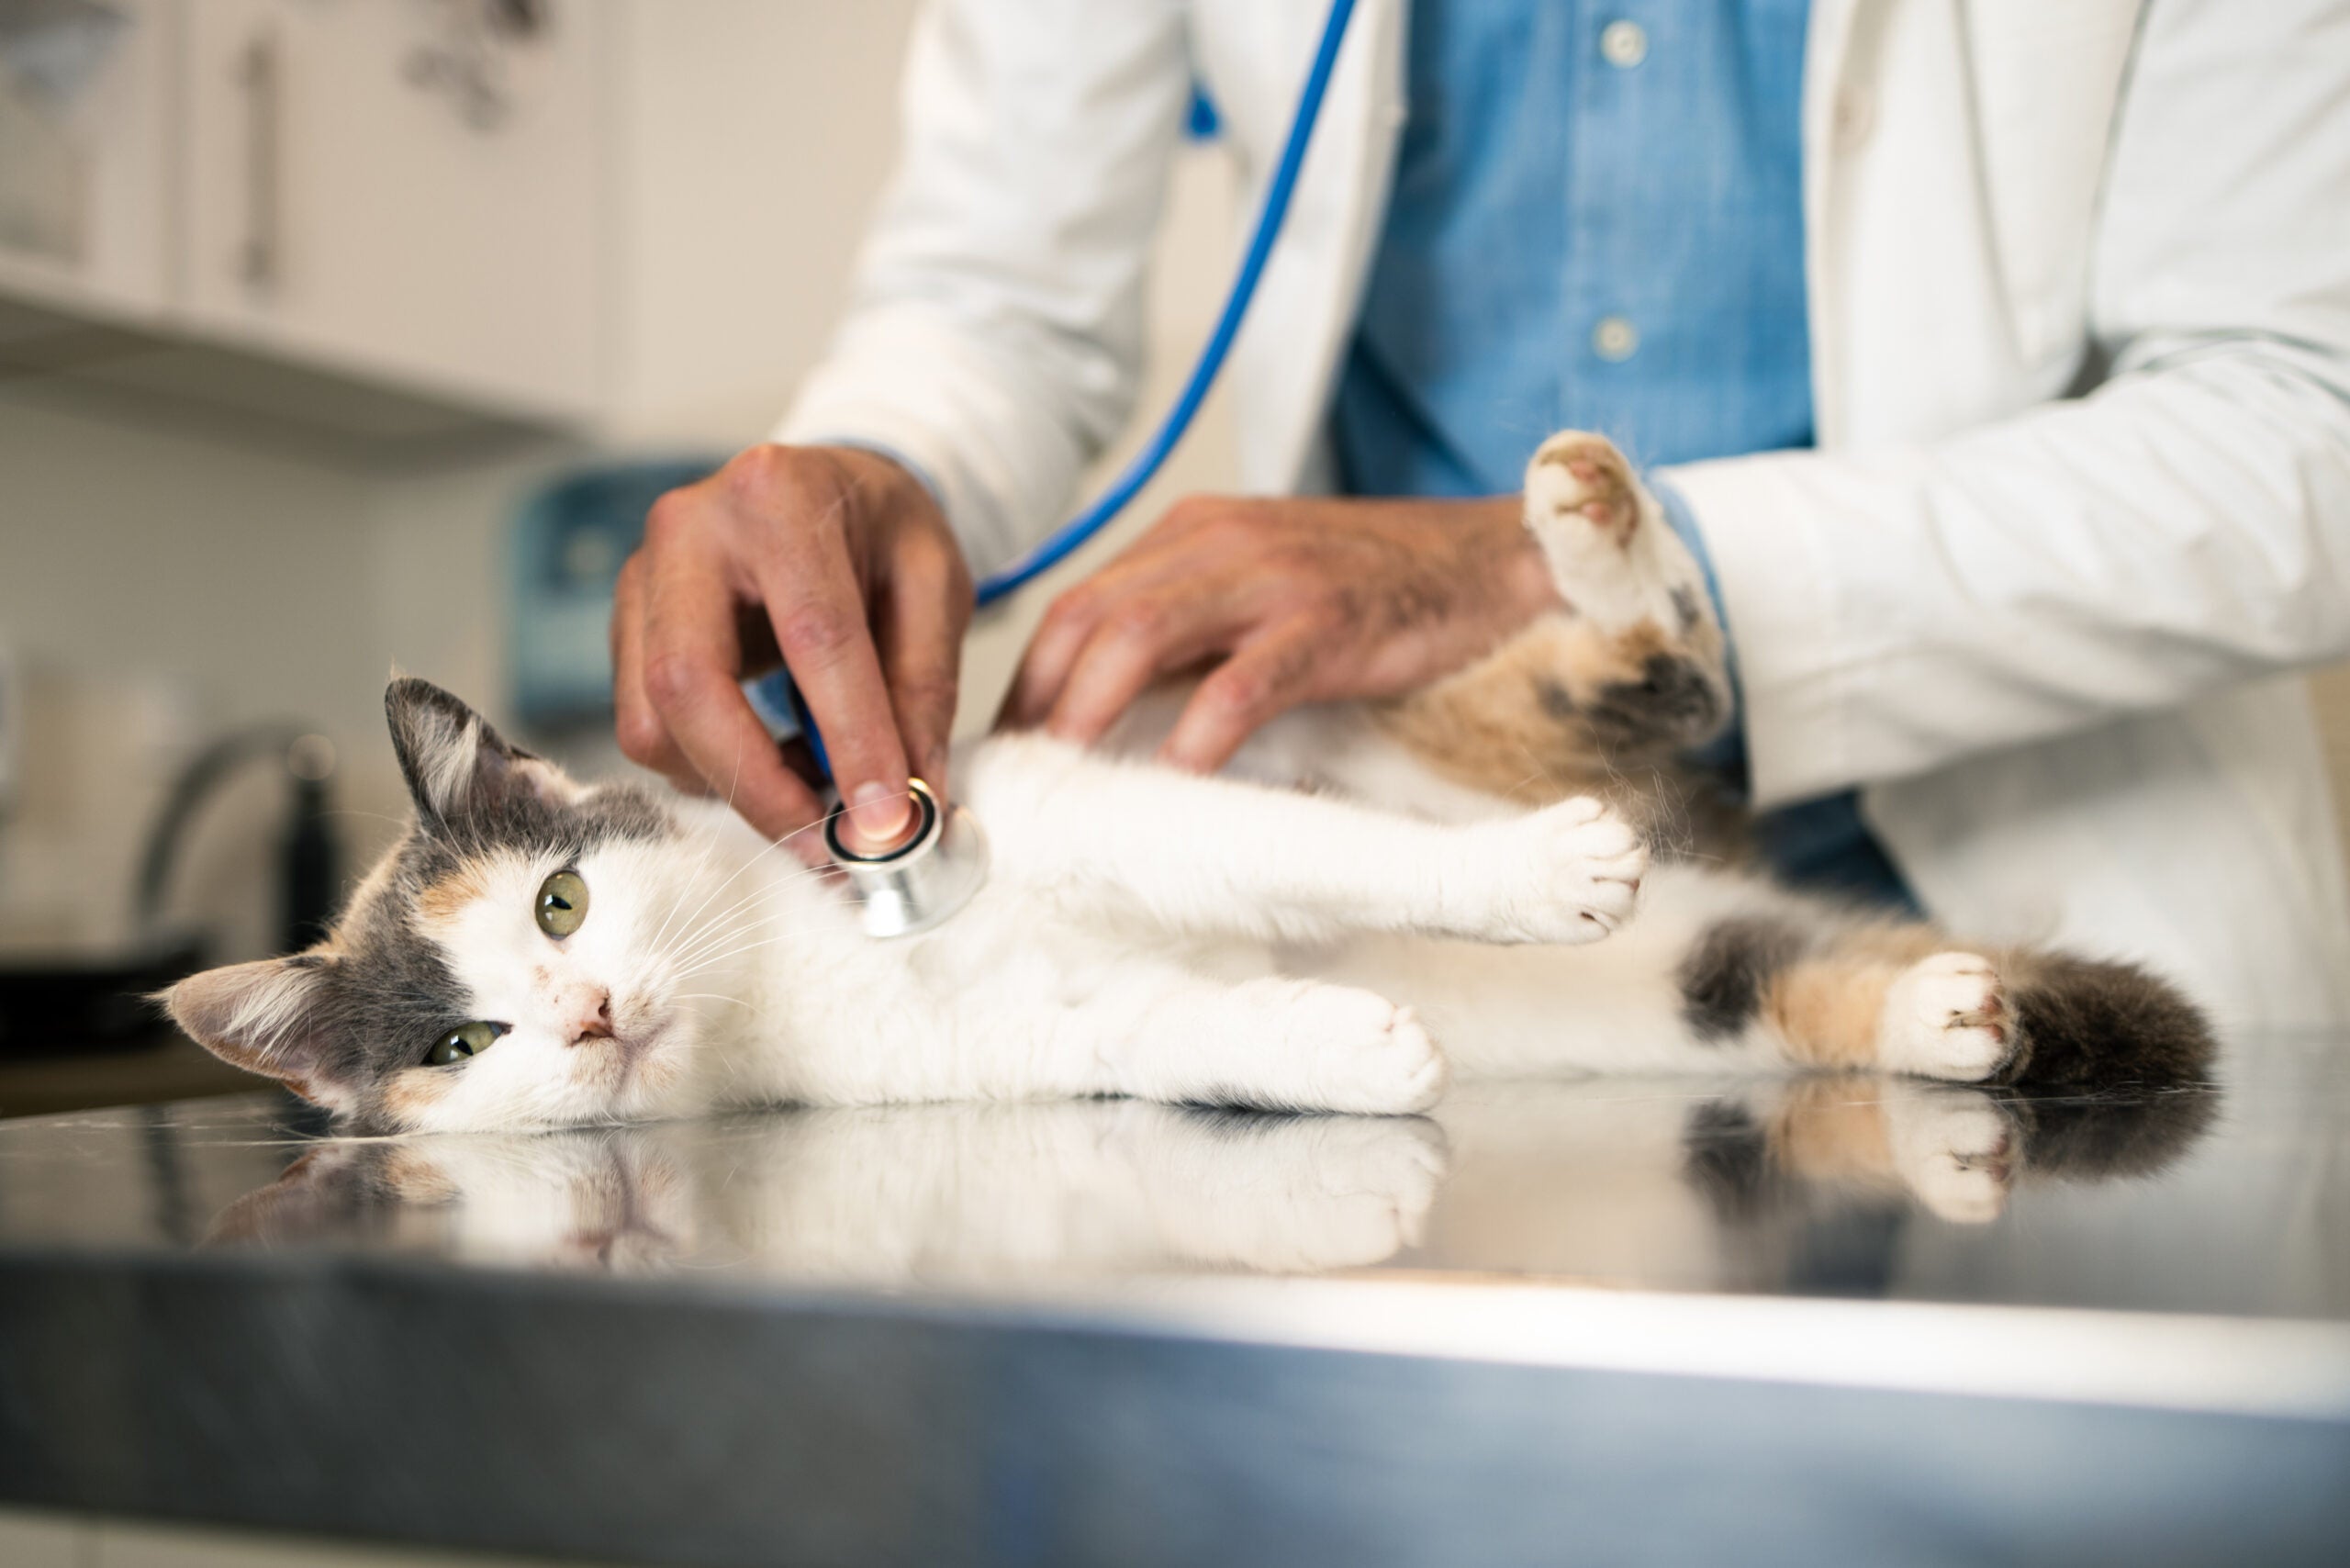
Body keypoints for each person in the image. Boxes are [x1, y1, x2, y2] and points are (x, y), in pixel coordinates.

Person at [610, 1, 2350, 1030]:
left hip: (2015, 915)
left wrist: (1560, 575)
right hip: (1397, 930)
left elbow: (2307, 416)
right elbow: (996, 297)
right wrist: (879, 460)